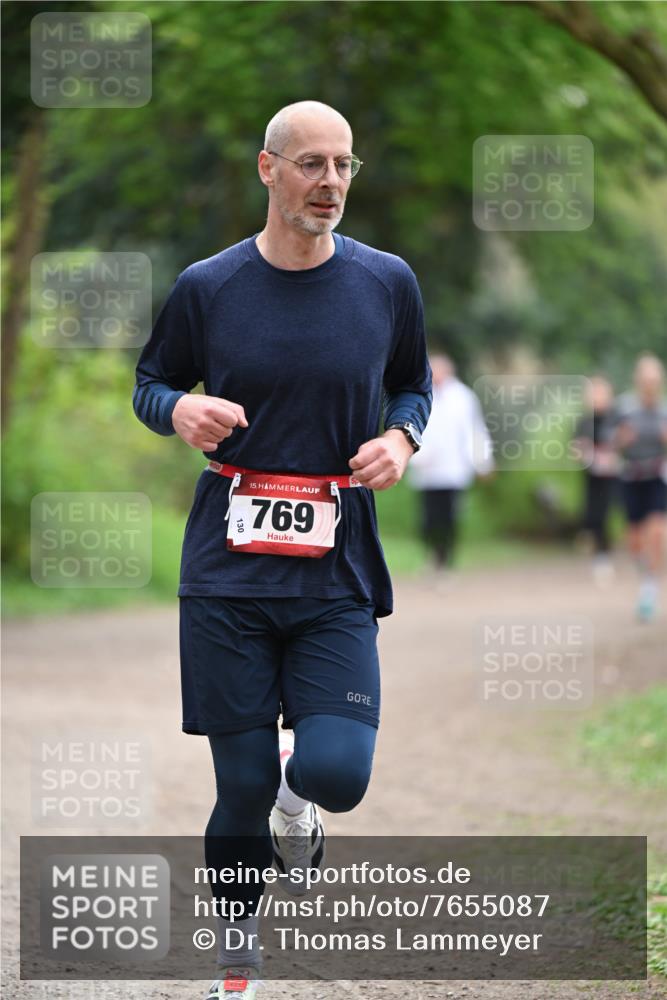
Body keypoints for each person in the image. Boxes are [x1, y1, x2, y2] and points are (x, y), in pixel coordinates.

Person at [132, 100, 432, 999]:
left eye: (343, 166)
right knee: (241, 778)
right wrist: (178, 410)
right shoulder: (208, 286)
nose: (330, 183)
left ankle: (298, 810)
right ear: (267, 170)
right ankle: (236, 943)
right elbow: (151, 382)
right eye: (310, 164)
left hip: (336, 568)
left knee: (334, 773)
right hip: (227, 574)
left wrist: (402, 440)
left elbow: (412, 385)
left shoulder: (386, 283)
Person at [407, 353, 494, 576]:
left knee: (449, 518)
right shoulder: (420, 395)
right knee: (427, 519)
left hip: (454, 469)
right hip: (426, 469)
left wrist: (483, 461)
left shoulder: (463, 397)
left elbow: (475, 430)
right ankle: (431, 556)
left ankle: (446, 560)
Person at [611, 354, 667, 621]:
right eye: (646, 380)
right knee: (634, 541)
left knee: (657, 532)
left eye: (655, 380)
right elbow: (609, 440)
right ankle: (644, 572)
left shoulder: (664, 410)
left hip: (656, 475)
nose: (650, 385)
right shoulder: (624, 407)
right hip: (631, 477)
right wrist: (622, 438)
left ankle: (649, 590)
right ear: (638, 380)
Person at [571, 375, 619, 587]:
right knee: (594, 513)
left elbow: (624, 443)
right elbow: (575, 447)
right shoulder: (584, 422)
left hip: (616, 475)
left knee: (611, 511)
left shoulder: (616, 418)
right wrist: (582, 452)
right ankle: (601, 556)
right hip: (592, 475)